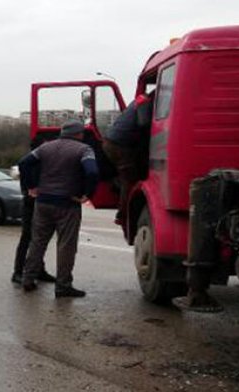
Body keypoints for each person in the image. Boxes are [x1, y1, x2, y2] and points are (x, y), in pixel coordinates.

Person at [19, 120, 99, 298]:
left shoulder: (45, 148)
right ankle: (63, 286)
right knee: (66, 246)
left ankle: (28, 279)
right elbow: (92, 172)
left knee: (37, 242)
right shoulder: (84, 150)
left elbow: (24, 163)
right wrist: (88, 194)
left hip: (43, 202)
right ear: (79, 134)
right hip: (67, 204)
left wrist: (31, 186)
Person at [102, 93, 153, 224]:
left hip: (112, 143)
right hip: (119, 146)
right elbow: (144, 125)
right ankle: (123, 215)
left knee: (127, 175)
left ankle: (117, 184)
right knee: (130, 180)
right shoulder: (146, 103)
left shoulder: (138, 101)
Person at [11, 159, 56, 284]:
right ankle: (18, 272)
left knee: (38, 239)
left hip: (36, 201)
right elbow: (23, 168)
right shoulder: (32, 160)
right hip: (31, 203)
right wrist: (31, 188)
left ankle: (38, 269)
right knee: (27, 238)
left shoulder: (39, 159)